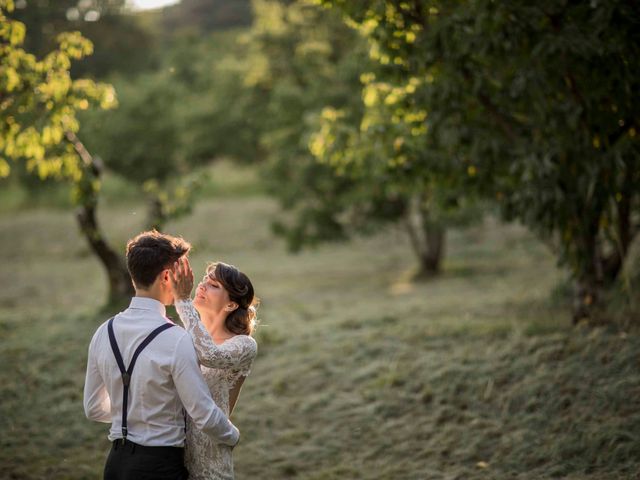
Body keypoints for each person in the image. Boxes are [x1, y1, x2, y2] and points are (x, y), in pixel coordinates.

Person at [83, 230, 240, 480]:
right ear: (167, 276)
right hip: (159, 467)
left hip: (114, 466)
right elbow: (204, 414)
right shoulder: (176, 339)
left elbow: (92, 408)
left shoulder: (104, 332)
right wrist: (233, 436)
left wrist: (136, 412)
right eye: (179, 273)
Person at [170, 257, 258, 480]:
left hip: (211, 464)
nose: (202, 285)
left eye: (214, 285)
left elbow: (209, 355)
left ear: (231, 305)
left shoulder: (244, 345)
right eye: (204, 280)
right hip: (171, 460)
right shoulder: (185, 337)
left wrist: (182, 300)